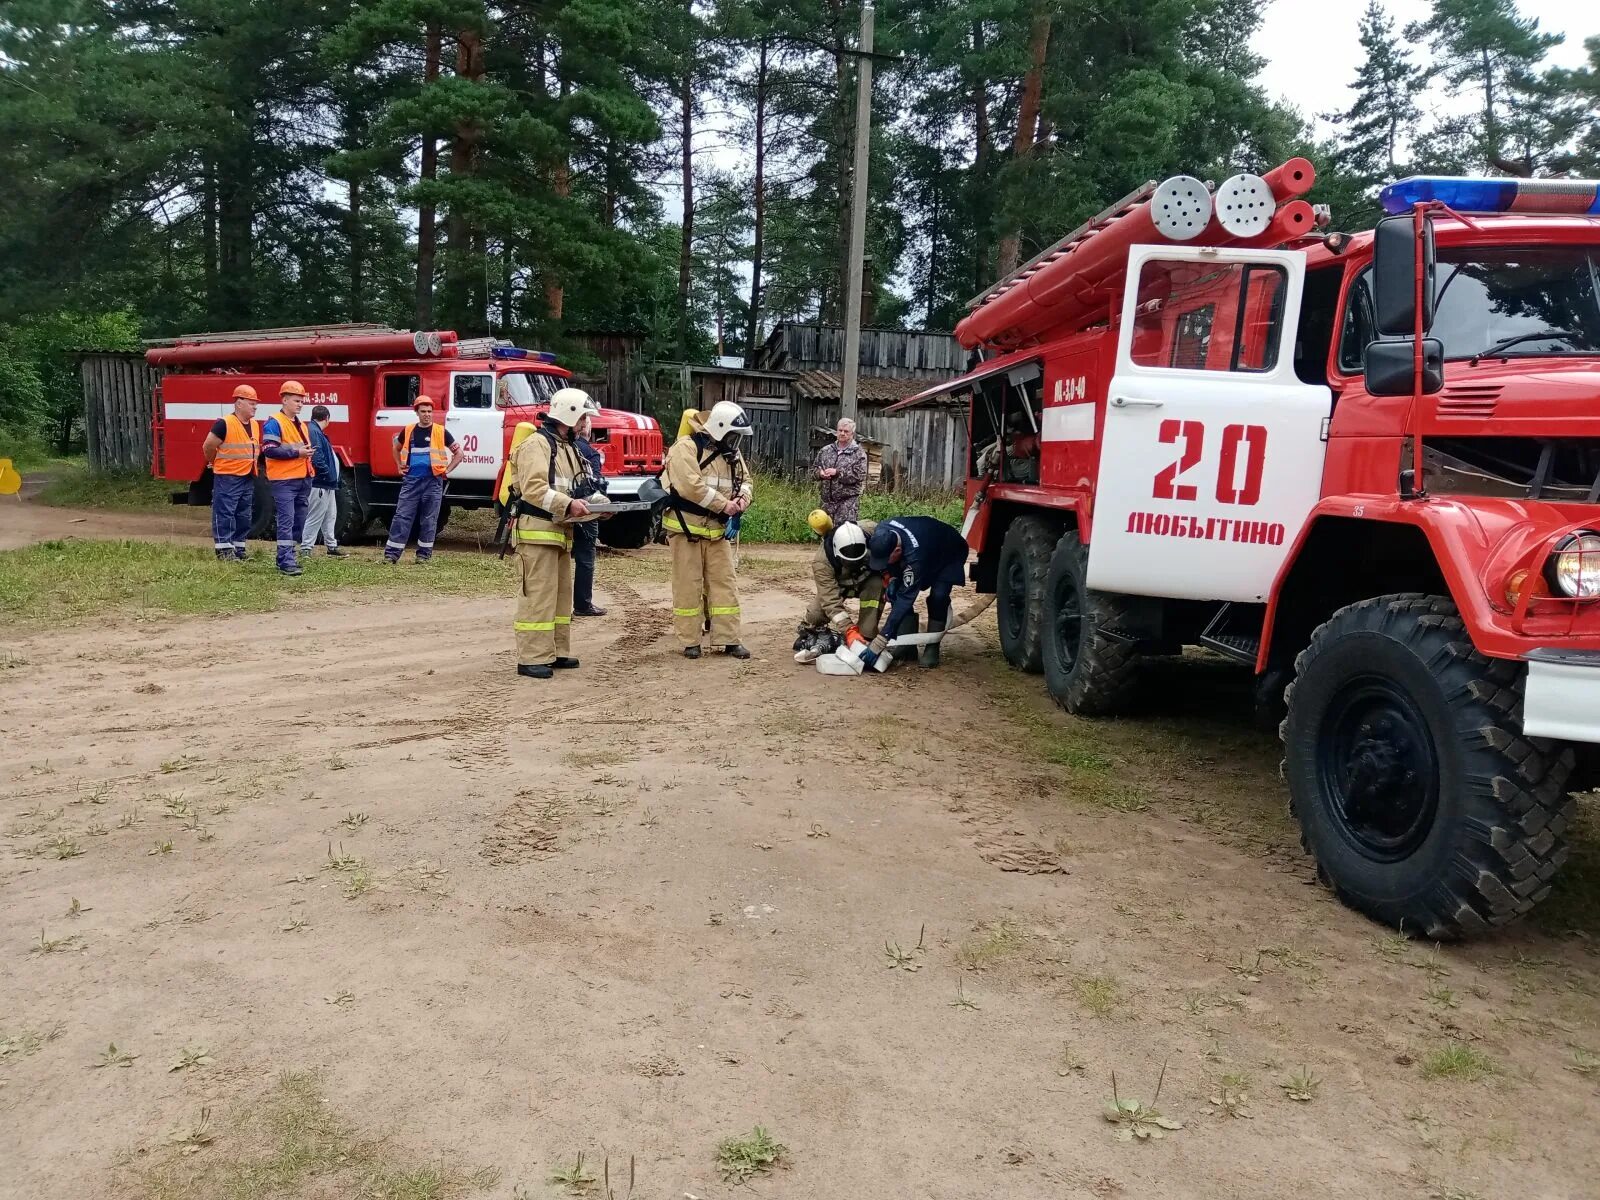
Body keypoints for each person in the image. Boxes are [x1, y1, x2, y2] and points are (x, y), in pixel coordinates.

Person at [510, 387, 600, 679]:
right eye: (584, 417)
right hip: (537, 534)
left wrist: (600, 507)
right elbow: (535, 489)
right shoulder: (537, 445)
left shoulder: (568, 447)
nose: (586, 423)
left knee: (561, 599)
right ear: (570, 415)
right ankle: (532, 657)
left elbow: (576, 488)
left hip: (559, 534)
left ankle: (556, 651)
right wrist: (569, 504)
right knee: (538, 596)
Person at [662, 401, 754, 659]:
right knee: (688, 586)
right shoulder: (685, 449)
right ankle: (691, 641)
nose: (736, 443)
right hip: (686, 530)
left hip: (717, 531)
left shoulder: (731, 454)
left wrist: (742, 501)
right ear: (719, 429)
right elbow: (691, 487)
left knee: (725, 585)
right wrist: (725, 505)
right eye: (733, 436)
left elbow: (746, 481)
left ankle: (729, 639)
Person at [863, 516, 971, 669]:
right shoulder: (882, 531)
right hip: (926, 543)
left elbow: (906, 599)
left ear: (898, 550)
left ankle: (932, 647)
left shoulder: (915, 557)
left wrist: (881, 639)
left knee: (938, 597)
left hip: (949, 552)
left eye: (887, 560)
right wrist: (892, 578)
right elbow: (889, 564)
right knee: (895, 593)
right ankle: (907, 648)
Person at [793, 511, 883, 663]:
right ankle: (811, 631)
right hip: (839, 584)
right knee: (816, 615)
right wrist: (849, 629)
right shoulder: (822, 562)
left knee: (877, 584)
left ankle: (866, 634)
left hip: (868, 579)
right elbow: (829, 600)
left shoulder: (873, 531)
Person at [386, 395, 463, 564]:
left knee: (429, 519)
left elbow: (459, 453)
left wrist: (447, 470)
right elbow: (396, 447)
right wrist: (399, 465)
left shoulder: (440, 431)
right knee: (402, 516)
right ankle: (391, 555)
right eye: (423, 411)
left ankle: (423, 555)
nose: (427, 414)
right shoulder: (408, 430)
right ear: (417, 413)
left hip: (433, 481)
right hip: (411, 480)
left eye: (429, 411)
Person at [260, 380, 316, 576]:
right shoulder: (274, 422)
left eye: (302, 401)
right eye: (296, 400)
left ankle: (287, 555)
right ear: (284, 400)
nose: (300, 404)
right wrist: (297, 454)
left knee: (298, 520)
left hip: (302, 478)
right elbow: (268, 450)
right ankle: (285, 561)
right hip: (284, 480)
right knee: (287, 520)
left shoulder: (300, 424)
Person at [202, 383, 260, 561]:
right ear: (239, 403)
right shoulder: (224, 423)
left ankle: (239, 549)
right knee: (225, 512)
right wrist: (214, 462)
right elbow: (208, 446)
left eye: (255, 403)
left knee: (243, 514)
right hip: (228, 476)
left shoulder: (255, 425)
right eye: (251, 403)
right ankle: (224, 550)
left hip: (248, 475)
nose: (255, 406)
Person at [571, 413, 607, 617]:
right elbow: (595, 485)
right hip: (585, 510)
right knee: (585, 557)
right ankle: (583, 604)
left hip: (562, 507)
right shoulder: (590, 453)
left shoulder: (562, 448)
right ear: (587, 429)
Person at [301, 405, 347, 558]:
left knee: (330, 515)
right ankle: (306, 548)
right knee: (316, 516)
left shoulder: (314, 431)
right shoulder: (315, 432)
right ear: (327, 418)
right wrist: (328, 474)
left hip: (327, 484)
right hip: (322, 483)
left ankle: (331, 546)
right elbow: (317, 456)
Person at [813, 417, 868, 524]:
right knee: (826, 537)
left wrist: (838, 473)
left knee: (844, 536)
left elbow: (859, 475)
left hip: (847, 504)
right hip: (826, 504)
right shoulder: (826, 451)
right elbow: (813, 470)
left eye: (846, 431)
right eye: (840, 430)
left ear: (852, 433)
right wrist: (820, 474)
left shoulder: (858, 453)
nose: (842, 433)